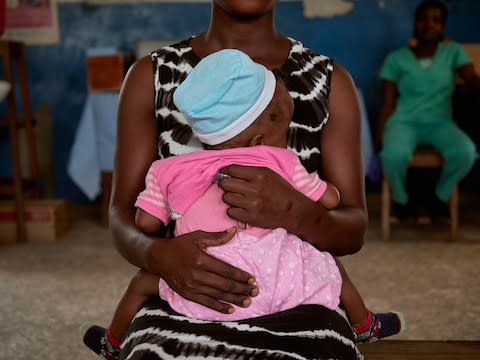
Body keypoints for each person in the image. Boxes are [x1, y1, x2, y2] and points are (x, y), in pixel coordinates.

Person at [81, 49, 404, 360]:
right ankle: (365, 325)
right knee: (330, 268)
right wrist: (312, 194)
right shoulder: (281, 160)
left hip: (203, 286)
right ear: (259, 141)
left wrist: (166, 247)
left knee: (140, 284)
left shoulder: (169, 170)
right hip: (279, 281)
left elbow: (145, 225)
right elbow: (331, 199)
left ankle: (112, 342)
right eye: (284, 130)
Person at [376, 0, 480, 220]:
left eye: (436, 20)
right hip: (404, 122)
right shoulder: (396, 59)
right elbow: (387, 104)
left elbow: (470, 77)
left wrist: (474, 81)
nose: (429, 25)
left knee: (465, 152)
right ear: (415, 22)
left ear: (443, 25)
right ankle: (401, 200)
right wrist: (379, 138)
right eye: (424, 19)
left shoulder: (452, 52)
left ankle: (438, 197)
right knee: (393, 155)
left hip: (440, 123)